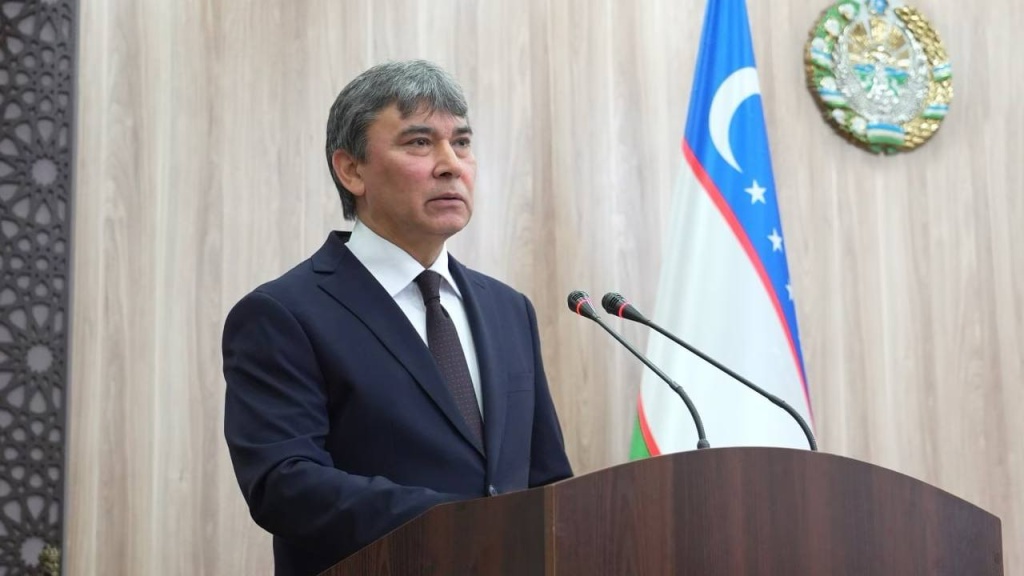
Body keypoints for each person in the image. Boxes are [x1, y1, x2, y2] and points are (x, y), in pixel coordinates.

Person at [222, 60, 573, 576]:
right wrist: (464, 524)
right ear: (352, 170)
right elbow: (284, 484)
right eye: (419, 143)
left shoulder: (508, 308)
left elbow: (546, 479)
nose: (451, 165)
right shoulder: (283, 314)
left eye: (462, 142)